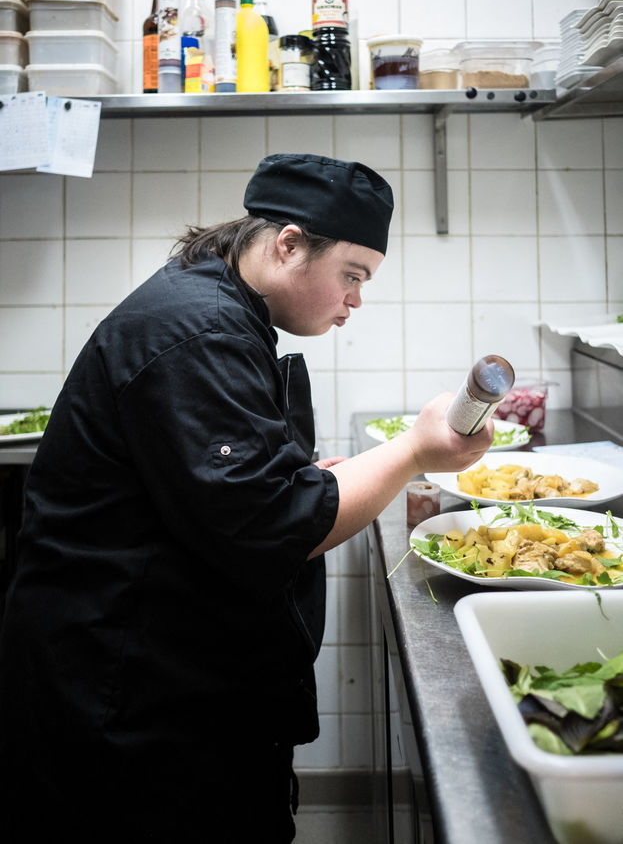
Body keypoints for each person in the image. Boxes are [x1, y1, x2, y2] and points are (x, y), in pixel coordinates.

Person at [0, 153, 492, 843]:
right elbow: (272, 524)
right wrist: (413, 451)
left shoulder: (212, 306)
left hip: (158, 672)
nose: (356, 300)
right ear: (288, 244)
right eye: (352, 275)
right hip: (126, 698)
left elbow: (225, 486)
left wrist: (301, 474)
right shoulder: (197, 331)